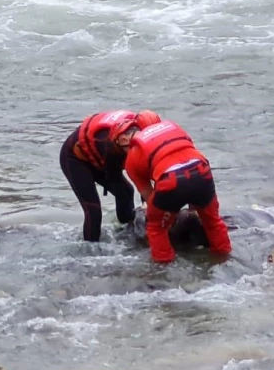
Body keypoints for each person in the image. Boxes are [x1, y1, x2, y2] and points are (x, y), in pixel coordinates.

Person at [119, 117, 232, 264]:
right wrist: (193, 209)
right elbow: (191, 152)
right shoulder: (174, 129)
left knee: (155, 228)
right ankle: (224, 260)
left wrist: (166, 215)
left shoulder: (133, 156)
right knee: (213, 221)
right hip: (201, 171)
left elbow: (148, 194)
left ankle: (164, 269)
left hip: (170, 180)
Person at [60, 110, 161, 242]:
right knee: (93, 210)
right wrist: (146, 203)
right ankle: (90, 252)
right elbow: (135, 175)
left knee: (126, 192)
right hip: (75, 159)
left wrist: (147, 203)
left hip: (99, 156)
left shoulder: (134, 129)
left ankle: (127, 232)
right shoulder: (115, 141)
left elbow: (147, 171)